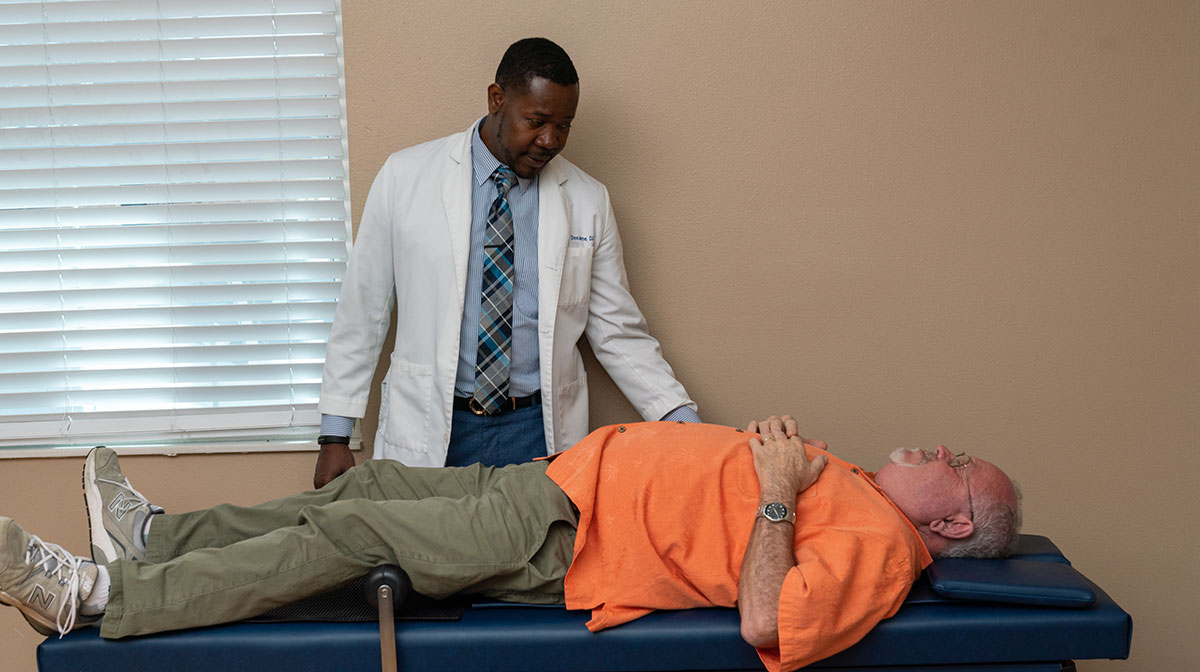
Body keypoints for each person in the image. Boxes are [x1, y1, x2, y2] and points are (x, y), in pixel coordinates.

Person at [0, 415, 1020, 672]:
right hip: (560, 484)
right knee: (372, 487)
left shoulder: (887, 551)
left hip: (569, 538)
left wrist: (775, 492)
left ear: (955, 521)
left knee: (356, 532)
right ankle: (158, 538)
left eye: (956, 460)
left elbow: (771, 622)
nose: (935, 446)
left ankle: (99, 600)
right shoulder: (861, 497)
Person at [314, 37, 698, 486]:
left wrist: (683, 420)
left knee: (539, 554)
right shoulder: (405, 177)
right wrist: (335, 434)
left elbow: (617, 331)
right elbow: (364, 309)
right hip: (434, 423)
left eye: (564, 125)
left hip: (535, 431)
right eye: (536, 121)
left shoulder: (587, 199)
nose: (550, 140)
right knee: (407, 554)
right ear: (497, 99)